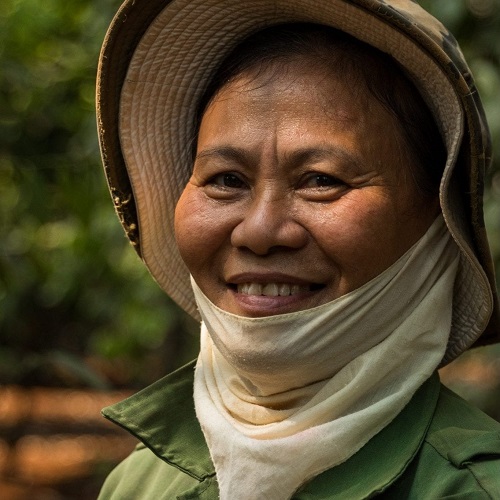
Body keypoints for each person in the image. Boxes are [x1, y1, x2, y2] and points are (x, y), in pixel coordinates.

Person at [96, 0, 500, 498]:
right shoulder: (138, 484)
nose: (260, 231)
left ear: (438, 221)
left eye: (320, 181)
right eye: (226, 180)